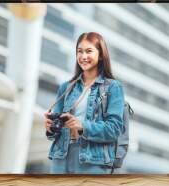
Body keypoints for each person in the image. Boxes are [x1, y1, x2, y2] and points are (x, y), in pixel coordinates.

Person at [44, 32, 125, 174]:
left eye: (89, 51)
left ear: (100, 55)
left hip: (93, 161)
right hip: (61, 158)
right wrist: (50, 127)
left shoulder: (113, 87)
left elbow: (115, 128)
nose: (83, 56)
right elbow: (55, 130)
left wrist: (82, 126)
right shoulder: (66, 87)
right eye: (79, 52)